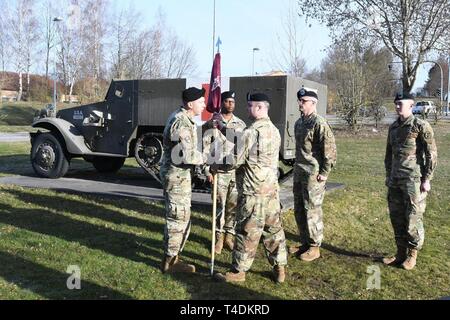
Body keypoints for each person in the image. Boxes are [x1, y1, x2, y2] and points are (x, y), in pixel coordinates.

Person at [214, 93, 288, 283]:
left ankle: (239, 271)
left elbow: (234, 161)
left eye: (249, 106)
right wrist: (223, 128)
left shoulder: (251, 132)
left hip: (253, 191)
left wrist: (215, 167)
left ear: (259, 108)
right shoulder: (274, 130)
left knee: (247, 231)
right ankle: (279, 268)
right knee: (273, 230)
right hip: (271, 190)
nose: (246, 109)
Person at [383, 92, 437, 270]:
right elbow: (389, 154)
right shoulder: (393, 128)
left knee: (412, 218)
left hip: (413, 181)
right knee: (397, 217)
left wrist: (427, 178)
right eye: (396, 103)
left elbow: (431, 154)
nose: (398, 106)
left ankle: (412, 254)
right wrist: (388, 174)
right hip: (395, 180)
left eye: (401, 103)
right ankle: (400, 253)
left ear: (411, 105)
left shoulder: (420, 125)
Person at [160, 87, 206, 274]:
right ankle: (170, 262)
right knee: (178, 218)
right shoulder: (181, 124)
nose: (204, 105)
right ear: (190, 104)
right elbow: (186, 155)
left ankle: (173, 257)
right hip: (177, 177)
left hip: (181, 177)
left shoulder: (184, 119)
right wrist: (205, 158)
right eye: (201, 102)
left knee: (181, 216)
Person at [290, 88, 337, 262]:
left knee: (312, 210)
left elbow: (330, 151)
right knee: (299, 209)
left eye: (304, 101)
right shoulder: (299, 123)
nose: (300, 104)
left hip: (313, 174)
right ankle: (304, 242)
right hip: (299, 171)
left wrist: (324, 173)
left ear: (313, 103)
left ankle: (314, 246)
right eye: (300, 101)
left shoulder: (319, 123)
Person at [202, 91, 246, 254]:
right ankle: (218, 238)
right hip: (218, 172)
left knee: (233, 207)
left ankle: (229, 236)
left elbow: (243, 149)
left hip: (235, 172)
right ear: (221, 103)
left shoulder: (240, 124)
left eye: (232, 102)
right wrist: (207, 170)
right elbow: (205, 147)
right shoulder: (213, 123)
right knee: (219, 206)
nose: (230, 104)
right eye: (227, 101)